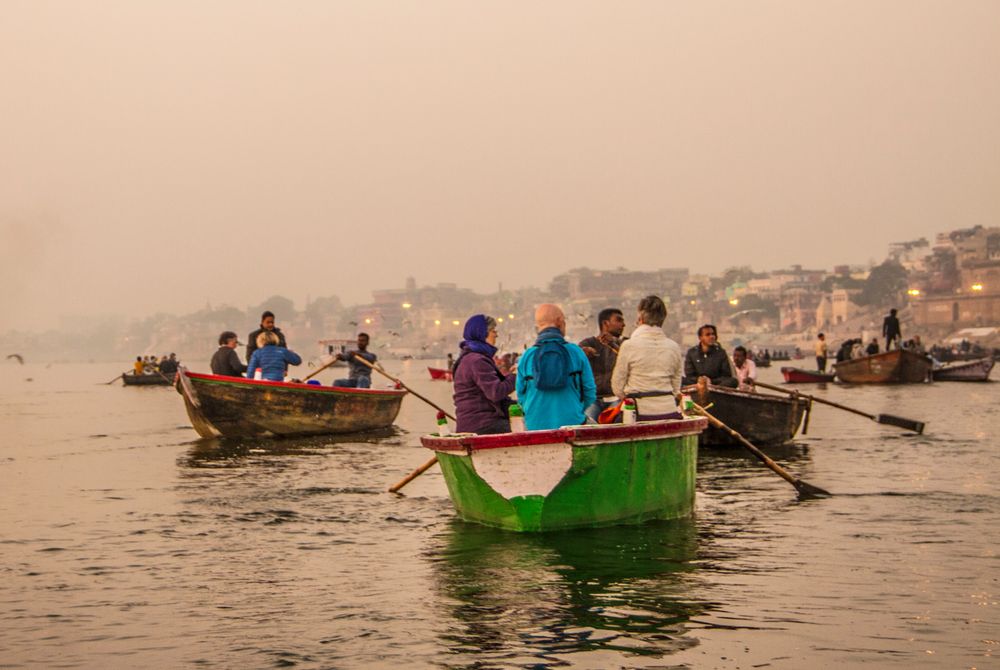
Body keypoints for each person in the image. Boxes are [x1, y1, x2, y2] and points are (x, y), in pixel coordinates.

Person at [516, 304, 596, 430]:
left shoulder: (526, 357)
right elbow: (590, 391)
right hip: (572, 423)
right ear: (559, 322)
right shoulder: (575, 352)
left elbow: (521, 396)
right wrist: (574, 409)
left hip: (534, 427)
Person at [609, 296, 683, 419]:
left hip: (639, 412)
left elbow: (617, 388)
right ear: (662, 320)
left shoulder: (628, 346)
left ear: (640, 319)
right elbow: (676, 388)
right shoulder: (674, 347)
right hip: (669, 411)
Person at [452, 315, 517, 434]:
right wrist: (515, 376)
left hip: (472, 423)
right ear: (482, 334)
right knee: (525, 428)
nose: (496, 335)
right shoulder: (477, 360)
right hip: (483, 425)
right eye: (493, 331)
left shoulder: (471, 358)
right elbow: (495, 392)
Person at [579, 307, 626, 420]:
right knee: (587, 427)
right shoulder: (588, 343)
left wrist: (613, 344)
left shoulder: (625, 344)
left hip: (618, 399)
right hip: (593, 400)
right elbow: (575, 359)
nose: (623, 324)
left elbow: (631, 357)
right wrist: (583, 353)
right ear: (605, 323)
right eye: (619, 320)